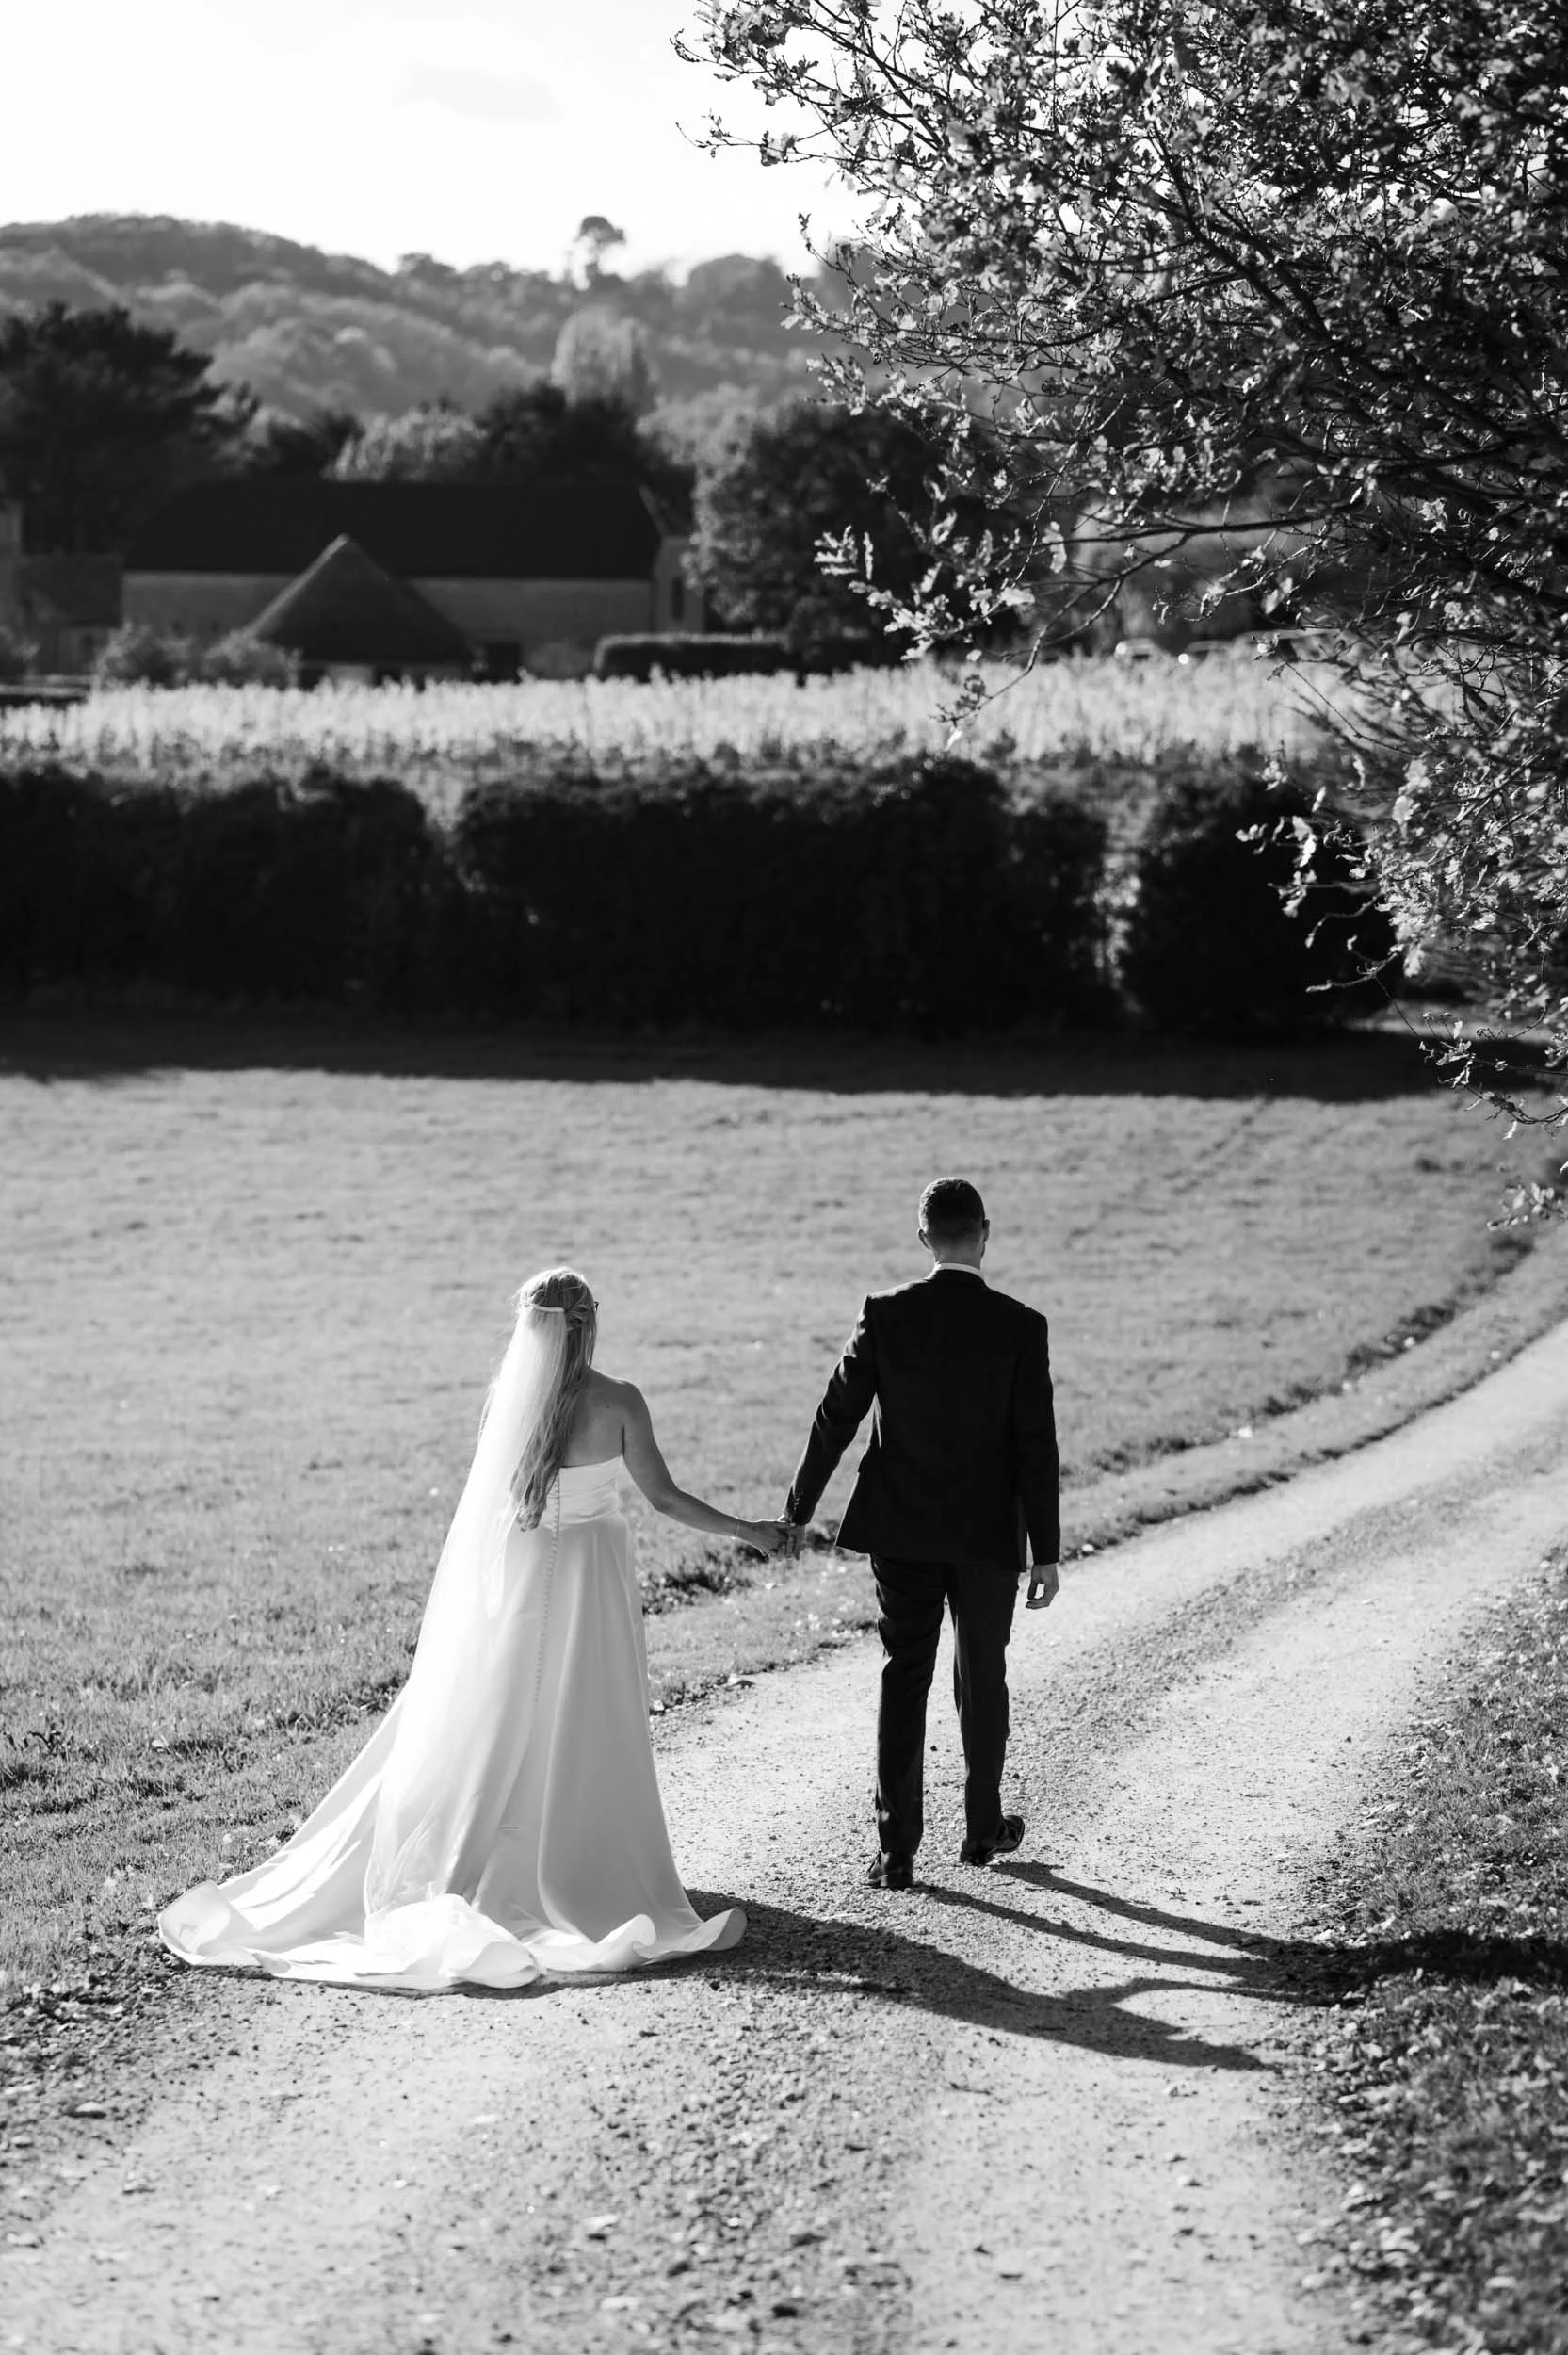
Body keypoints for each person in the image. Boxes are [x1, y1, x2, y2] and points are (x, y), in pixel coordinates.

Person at [159, 1269, 782, 1990]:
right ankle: (579, 1861)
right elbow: (665, 1498)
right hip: (592, 1572)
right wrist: (752, 1533)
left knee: (504, 1707)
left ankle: (492, 1850)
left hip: (523, 1573)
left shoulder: (511, 1402)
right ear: (590, 1321)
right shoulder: (619, 1401)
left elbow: (504, 1507)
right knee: (583, 1708)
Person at [781, 1178, 1060, 1891]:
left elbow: (834, 1415)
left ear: (922, 1238)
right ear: (985, 1232)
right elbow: (1036, 1444)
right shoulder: (1020, 1326)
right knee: (982, 1673)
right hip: (988, 1533)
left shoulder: (886, 1314)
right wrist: (1047, 1551)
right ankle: (981, 1827)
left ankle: (895, 1850)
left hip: (900, 1528)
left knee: (904, 1675)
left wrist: (799, 1508)